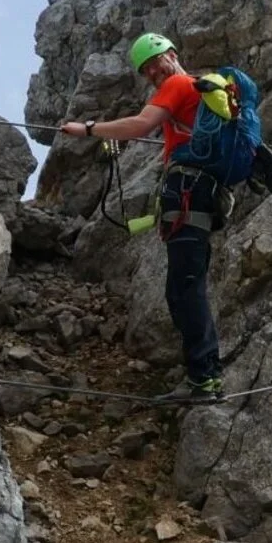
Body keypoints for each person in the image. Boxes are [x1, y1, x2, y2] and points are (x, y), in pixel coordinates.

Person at [61, 32, 226, 404]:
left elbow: (139, 126)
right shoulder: (201, 93)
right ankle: (207, 377)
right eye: (146, 69)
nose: (152, 72)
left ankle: (204, 381)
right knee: (185, 287)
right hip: (204, 195)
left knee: (185, 290)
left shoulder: (179, 84)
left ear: (172, 54)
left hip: (186, 194)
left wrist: (87, 129)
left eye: (155, 62)